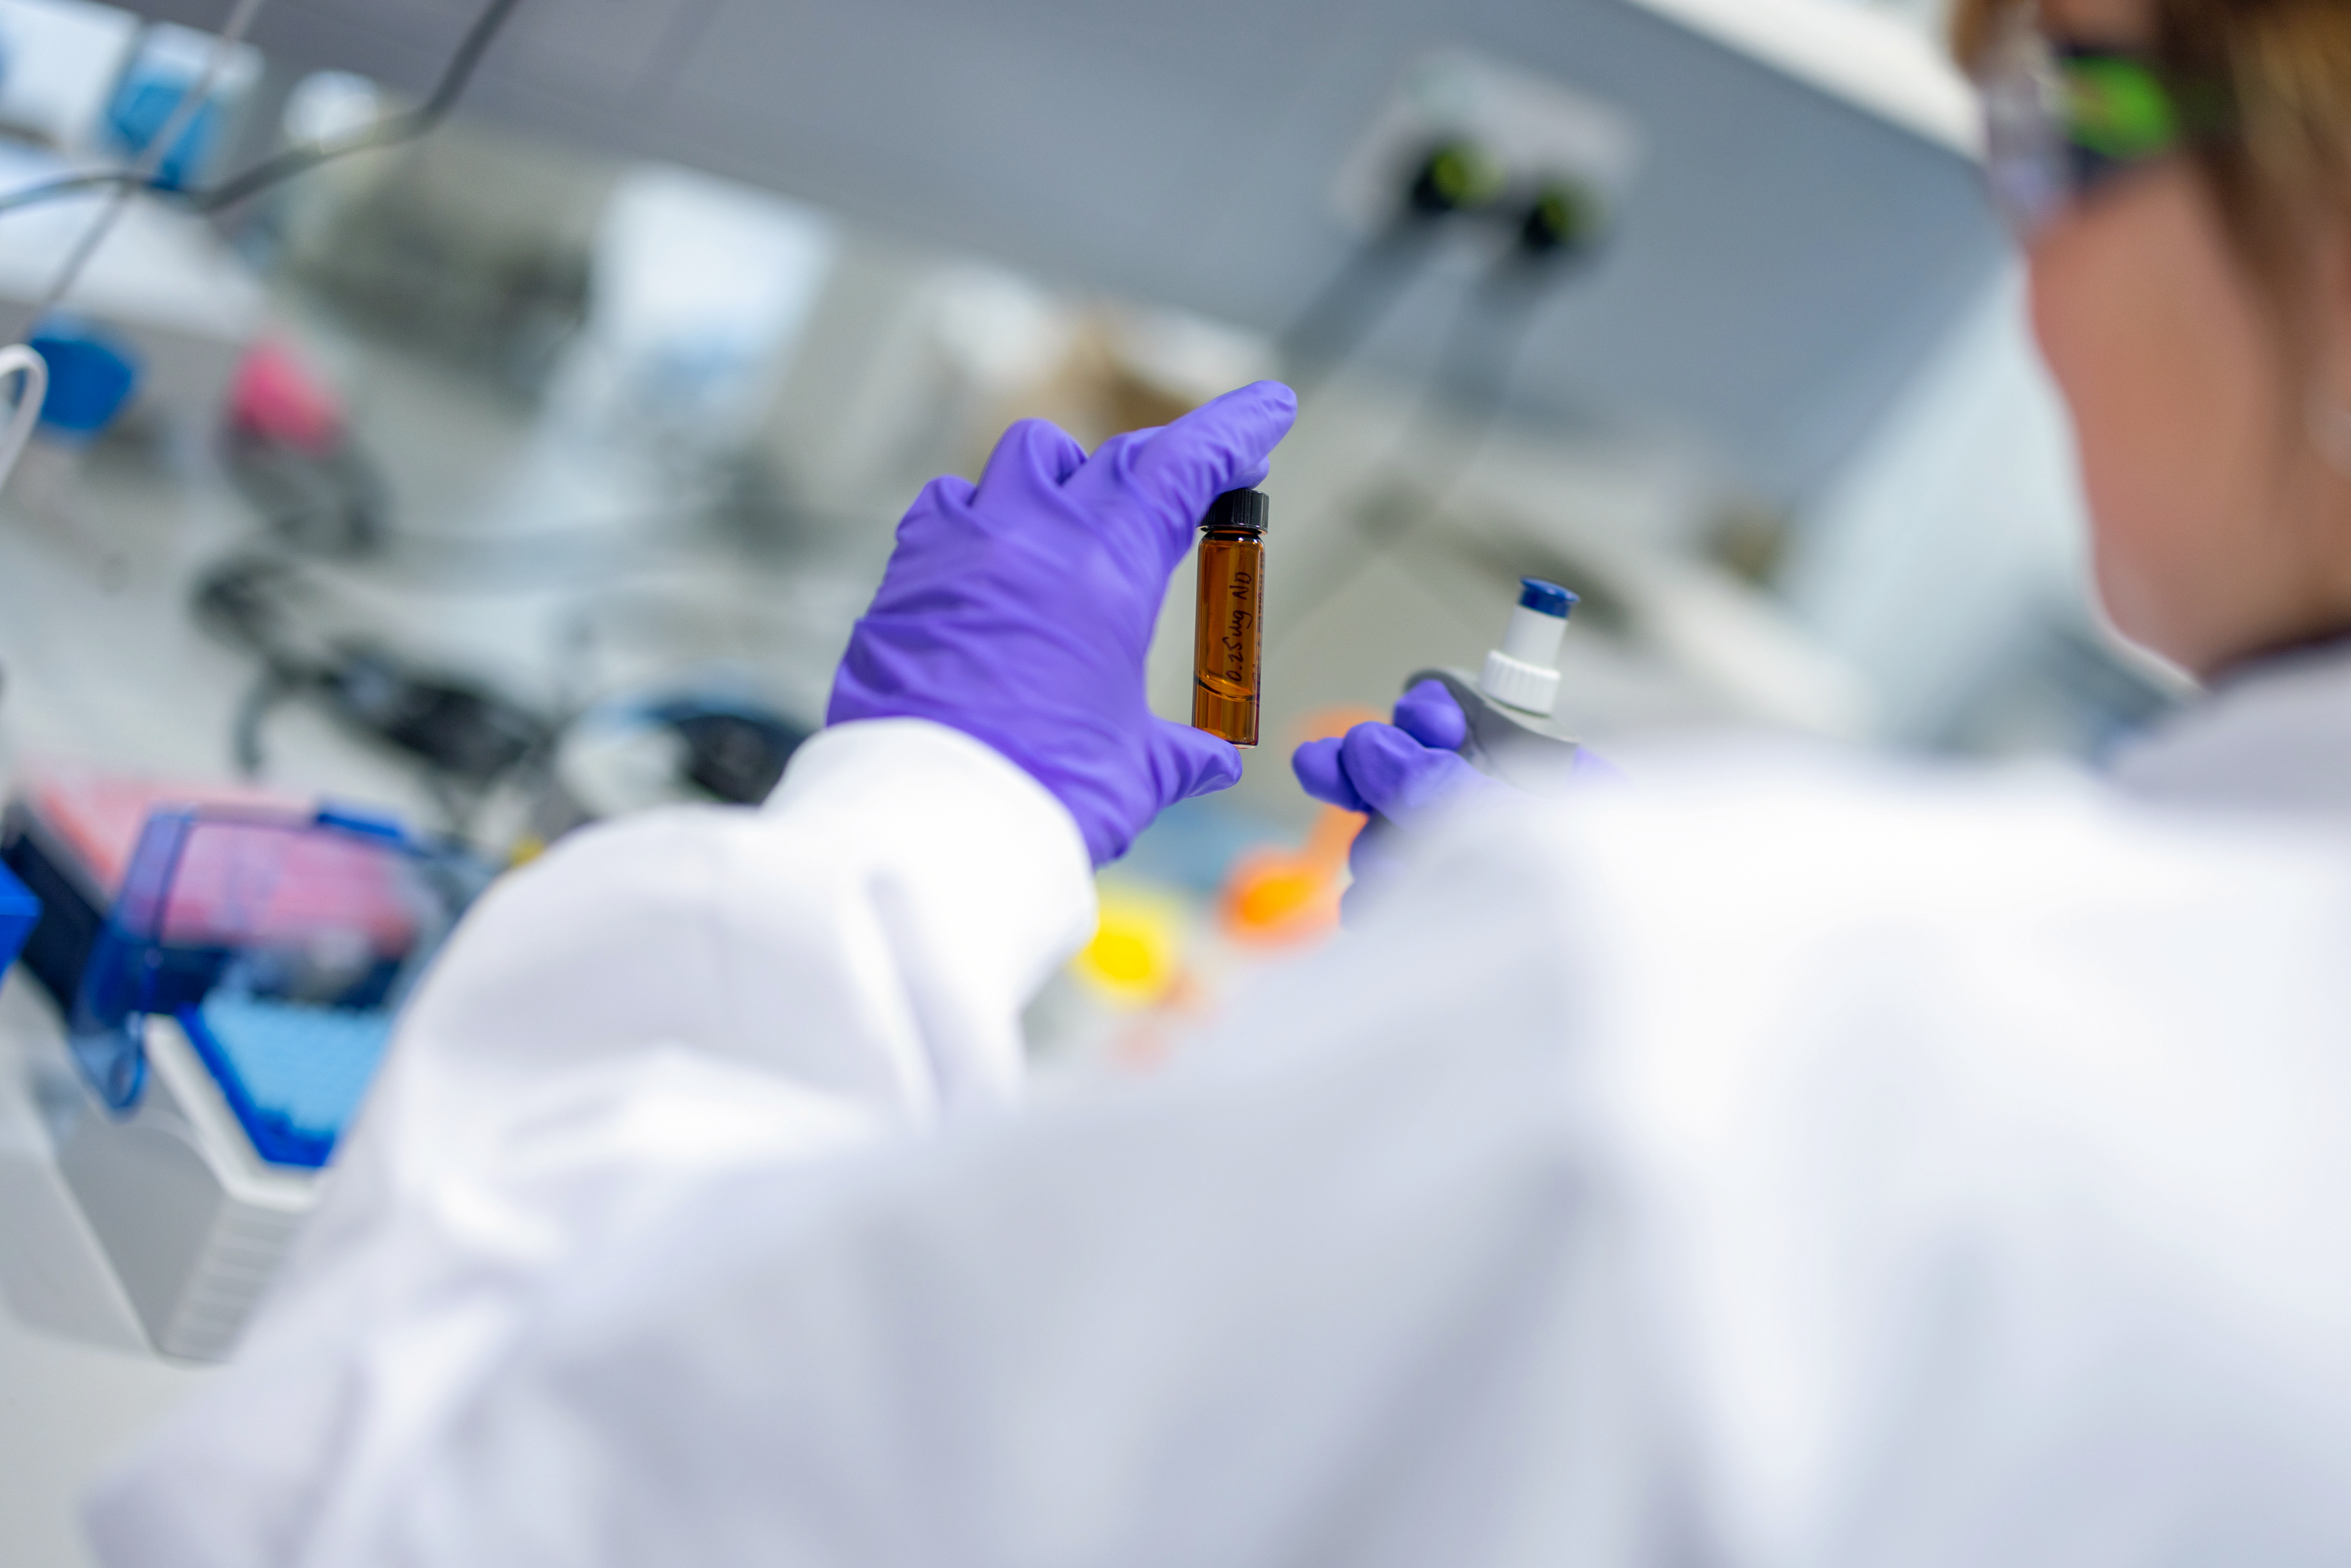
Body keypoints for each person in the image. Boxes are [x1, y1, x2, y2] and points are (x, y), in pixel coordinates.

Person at [86, 0, 2351, 1561]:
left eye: (2061, 117)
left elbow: (433, 1496)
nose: (2026, 261)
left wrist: (925, 805)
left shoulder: (1727, 1033)